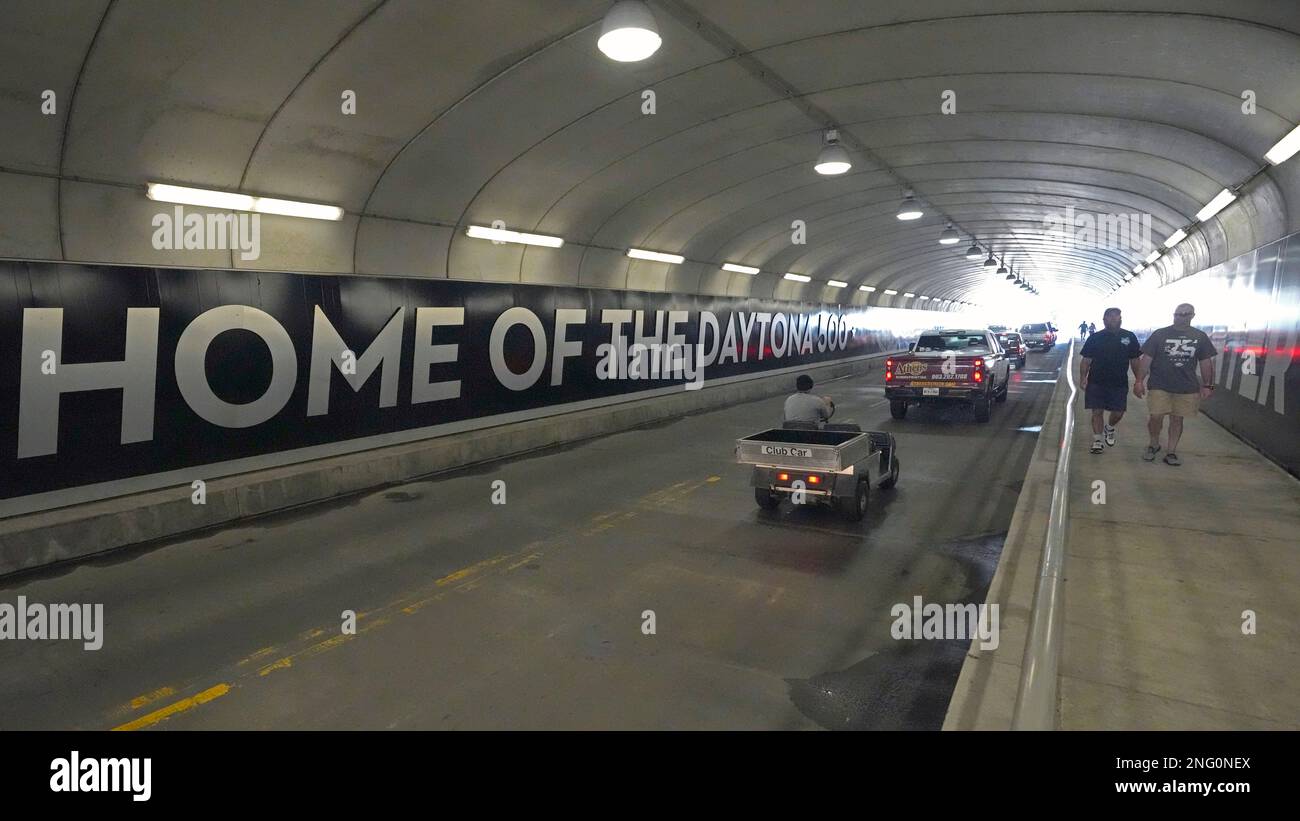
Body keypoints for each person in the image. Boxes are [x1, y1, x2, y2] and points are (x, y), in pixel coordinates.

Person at [1134, 303, 1218, 466]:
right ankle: (1153, 443)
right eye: (1177, 314)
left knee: (1177, 419)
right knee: (1156, 416)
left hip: (1186, 386)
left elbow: (1206, 362)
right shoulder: (1160, 334)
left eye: (1184, 314)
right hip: (1159, 384)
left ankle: (1171, 451)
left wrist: (1208, 385)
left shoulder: (1199, 336)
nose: (1180, 317)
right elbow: (1146, 359)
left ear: (1192, 316)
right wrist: (1139, 381)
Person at [1079, 308, 1141, 454]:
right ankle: (1097, 440)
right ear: (1104, 320)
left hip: (1119, 382)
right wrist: (1083, 377)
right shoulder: (1095, 338)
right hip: (1096, 381)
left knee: (1118, 412)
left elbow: (1135, 360)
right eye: (1109, 317)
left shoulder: (1129, 337)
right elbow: (1086, 360)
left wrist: (1139, 380)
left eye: (1116, 316)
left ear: (1121, 318)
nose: (1113, 319)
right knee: (1097, 411)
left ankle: (1110, 427)